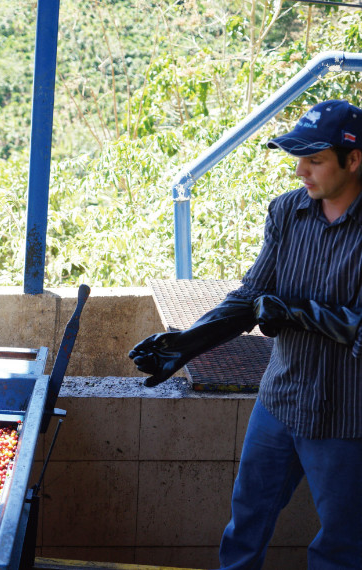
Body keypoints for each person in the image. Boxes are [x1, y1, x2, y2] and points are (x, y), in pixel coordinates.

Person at [129, 99, 362, 569]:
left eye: (315, 160)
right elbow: (252, 295)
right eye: (298, 158)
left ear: (353, 159)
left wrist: (299, 312)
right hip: (279, 401)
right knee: (246, 523)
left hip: (346, 417)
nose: (301, 171)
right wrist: (188, 342)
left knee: (341, 545)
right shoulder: (288, 211)